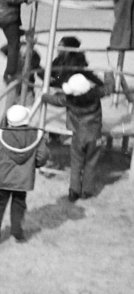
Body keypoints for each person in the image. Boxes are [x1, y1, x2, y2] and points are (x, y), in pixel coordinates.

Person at [44, 71, 105, 202]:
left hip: (78, 136)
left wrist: (44, 96)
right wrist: (110, 73)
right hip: (95, 136)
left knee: (76, 163)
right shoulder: (96, 94)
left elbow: (55, 100)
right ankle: (87, 191)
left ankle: (74, 190)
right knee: (91, 162)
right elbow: (110, 88)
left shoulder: (69, 100)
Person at [0, 104, 42, 246]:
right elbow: (42, 156)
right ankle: (17, 230)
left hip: (2, 178)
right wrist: (33, 164)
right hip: (22, 180)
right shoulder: (36, 135)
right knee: (18, 204)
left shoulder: (1, 135)